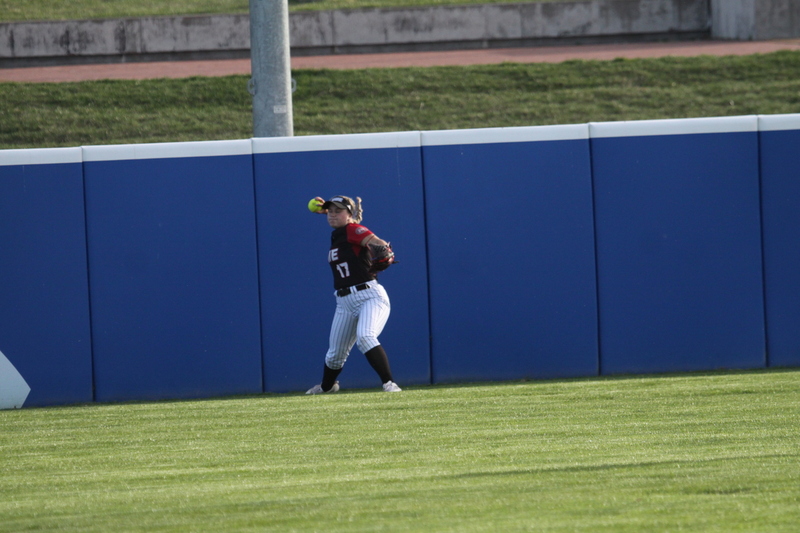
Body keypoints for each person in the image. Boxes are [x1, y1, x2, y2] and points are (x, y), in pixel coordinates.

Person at [306, 195, 402, 394]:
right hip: (344, 301)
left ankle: (389, 384)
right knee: (335, 355)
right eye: (329, 212)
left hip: (369, 296)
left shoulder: (352, 230)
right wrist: (329, 211)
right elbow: (341, 220)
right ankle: (327, 388)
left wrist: (383, 250)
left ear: (350, 214)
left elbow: (378, 243)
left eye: (337, 211)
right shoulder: (340, 233)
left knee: (366, 336)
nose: (332, 215)